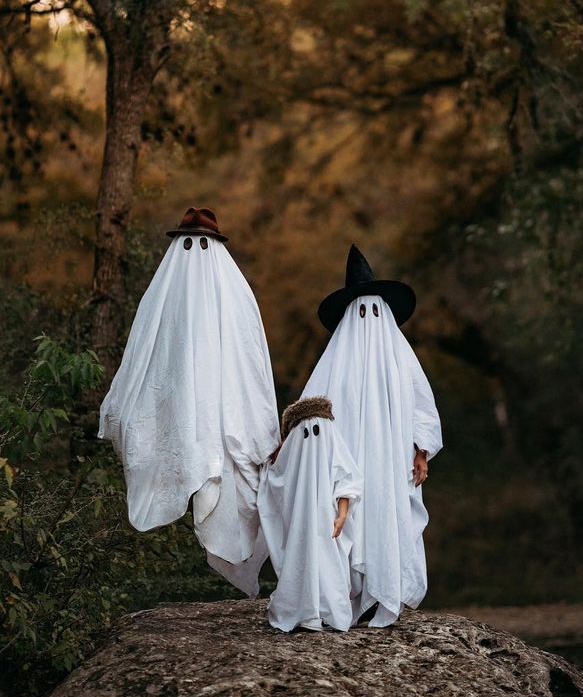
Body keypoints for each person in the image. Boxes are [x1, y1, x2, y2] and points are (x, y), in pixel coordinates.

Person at [98, 207, 279, 568]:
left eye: (202, 244)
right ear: (176, 246)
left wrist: (261, 433)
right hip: (173, 421)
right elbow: (140, 358)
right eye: (188, 244)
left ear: (215, 247)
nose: (195, 252)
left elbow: (252, 365)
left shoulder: (236, 299)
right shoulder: (162, 298)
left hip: (226, 425)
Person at [301, 245, 442, 627]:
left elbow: (421, 405)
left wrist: (421, 452)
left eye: (374, 310)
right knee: (349, 517)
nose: (368, 318)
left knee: (388, 514)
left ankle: (385, 593)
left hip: (391, 460)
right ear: (349, 316)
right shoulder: (335, 361)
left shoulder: (401, 357)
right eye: (360, 310)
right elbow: (309, 408)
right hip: (348, 459)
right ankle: (348, 597)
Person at [258, 396, 362, 632]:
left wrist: (342, 514)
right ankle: (302, 610)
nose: (313, 438)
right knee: (301, 558)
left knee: (329, 562)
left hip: (327, 521)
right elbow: (275, 481)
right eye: (306, 432)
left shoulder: (332, 447)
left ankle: (328, 611)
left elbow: (347, 480)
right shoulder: (292, 462)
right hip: (300, 526)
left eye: (317, 430)